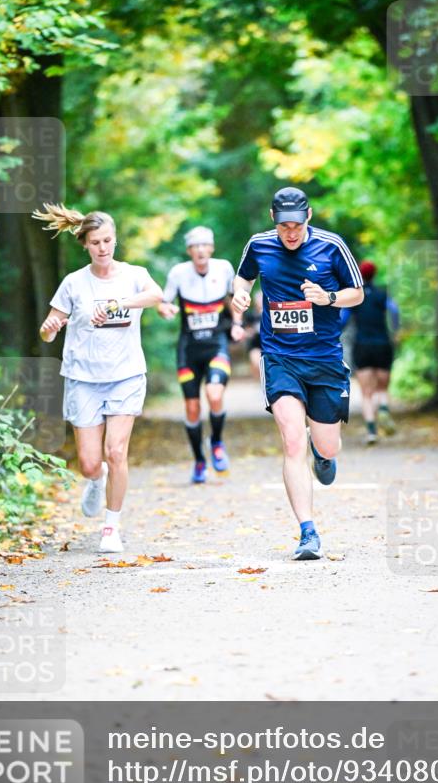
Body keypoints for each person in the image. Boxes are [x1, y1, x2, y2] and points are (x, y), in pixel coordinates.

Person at [232, 187, 364, 560]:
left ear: (308, 217)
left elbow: (357, 292)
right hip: (280, 357)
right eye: (283, 226)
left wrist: (329, 298)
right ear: (273, 220)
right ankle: (308, 533)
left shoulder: (331, 246)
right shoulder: (259, 245)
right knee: (292, 441)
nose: (290, 233)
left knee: (328, 445)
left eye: (296, 225)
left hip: (324, 359)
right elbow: (243, 278)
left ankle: (322, 453)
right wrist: (239, 294)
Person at [34, 203, 163, 552]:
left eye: (107, 241)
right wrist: (50, 328)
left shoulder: (133, 275)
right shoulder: (74, 283)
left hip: (126, 375)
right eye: (95, 243)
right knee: (91, 463)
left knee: (116, 451)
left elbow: (156, 295)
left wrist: (121, 304)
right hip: (82, 378)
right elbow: (48, 331)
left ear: (115, 240)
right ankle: (96, 480)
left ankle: (111, 528)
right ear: (85, 245)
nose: (102, 248)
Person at [159, 226, 245, 483]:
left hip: (216, 344)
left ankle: (216, 442)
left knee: (214, 394)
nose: (200, 250)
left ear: (211, 248)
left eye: (204, 245)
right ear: (189, 251)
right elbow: (164, 302)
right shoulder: (178, 273)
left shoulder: (224, 268)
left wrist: (237, 324)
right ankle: (199, 460)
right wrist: (165, 310)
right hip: (188, 350)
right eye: (195, 246)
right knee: (192, 407)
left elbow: (234, 299)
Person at [342, 260, 399, 444]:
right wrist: (395, 330)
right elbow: (394, 310)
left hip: (362, 345)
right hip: (382, 343)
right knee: (382, 387)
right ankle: (383, 409)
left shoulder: (355, 296)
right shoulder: (382, 294)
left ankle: (372, 432)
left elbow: (343, 318)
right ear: (374, 275)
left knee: (366, 393)